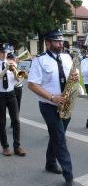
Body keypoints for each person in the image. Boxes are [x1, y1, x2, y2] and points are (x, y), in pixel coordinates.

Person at [28, 30, 78, 186]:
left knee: (57, 135)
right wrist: (52, 97)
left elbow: (73, 75)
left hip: (66, 103)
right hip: (48, 104)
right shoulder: (39, 60)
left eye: (61, 41)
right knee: (60, 138)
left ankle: (50, 163)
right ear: (47, 43)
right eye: (57, 41)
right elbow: (32, 84)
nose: (60, 44)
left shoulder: (66, 57)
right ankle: (68, 175)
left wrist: (75, 76)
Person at [0, 43, 26, 156]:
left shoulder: (12, 63)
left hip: (11, 94)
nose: (4, 54)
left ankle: (17, 146)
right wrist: (6, 69)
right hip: (0, 95)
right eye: (2, 52)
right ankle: (5, 147)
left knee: (16, 120)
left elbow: (19, 79)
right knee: (1, 122)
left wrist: (17, 71)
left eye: (5, 52)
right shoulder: (5, 65)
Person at [6, 52, 23, 128]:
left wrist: (21, 69)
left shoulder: (18, 65)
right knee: (12, 107)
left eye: (13, 58)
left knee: (17, 106)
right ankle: (14, 121)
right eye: (11, 58)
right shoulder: (7, 65)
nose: (13, 59)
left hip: (19, 87)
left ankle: (15, 121)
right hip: (12, 88)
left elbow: (22, 77)